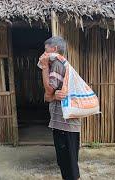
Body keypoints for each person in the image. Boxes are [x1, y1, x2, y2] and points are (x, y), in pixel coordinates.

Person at [39, 36, 81, 180]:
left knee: (68, 163)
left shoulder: (57, 64)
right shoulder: (63, 64)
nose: (44, 54)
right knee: (68, 162)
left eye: (45, 51)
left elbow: (49, 90)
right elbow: (48, 97)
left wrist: (44, 67)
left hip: (65, 124)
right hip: (66, 123)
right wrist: (51, 96)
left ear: (54, 49)